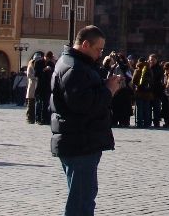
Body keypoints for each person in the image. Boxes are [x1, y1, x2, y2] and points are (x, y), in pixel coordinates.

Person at [50, 25, 120, 216]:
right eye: (98, 49)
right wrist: (108, 91)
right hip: (80, 142)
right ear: (86, 44)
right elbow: (83, 104)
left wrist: (103, 84)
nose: (100, 54)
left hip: (79, 139)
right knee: (81, 203)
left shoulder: (75, 64)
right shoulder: (74, 67)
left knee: (82, 198)